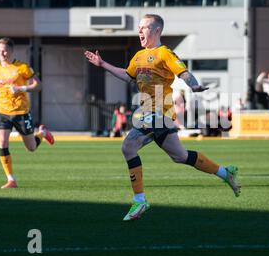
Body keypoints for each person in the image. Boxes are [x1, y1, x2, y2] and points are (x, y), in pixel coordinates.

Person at [84, 14, 240, 221]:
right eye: (139, 28)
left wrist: (193, 85)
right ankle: (224, 172)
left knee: (128, 147)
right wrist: (103, 64)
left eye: (144, 28)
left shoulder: (164, 53)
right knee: (180, 156)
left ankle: (140, 200)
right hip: (151, 112)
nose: (140, 31)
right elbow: (127, 75)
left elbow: (183, 73)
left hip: (160, 112)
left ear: (157, 31)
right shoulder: (139, 56)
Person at [0, 37, 54, 189]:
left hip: (21, 112)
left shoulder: (22, 67)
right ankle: (11, 179)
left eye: (5, 50)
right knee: (2, 142)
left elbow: (38, 86)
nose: (3, 53)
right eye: (0, 50)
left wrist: (21, 89)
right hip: (3, 111)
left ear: (12, 51)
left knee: (31, 148)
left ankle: (42, 133)